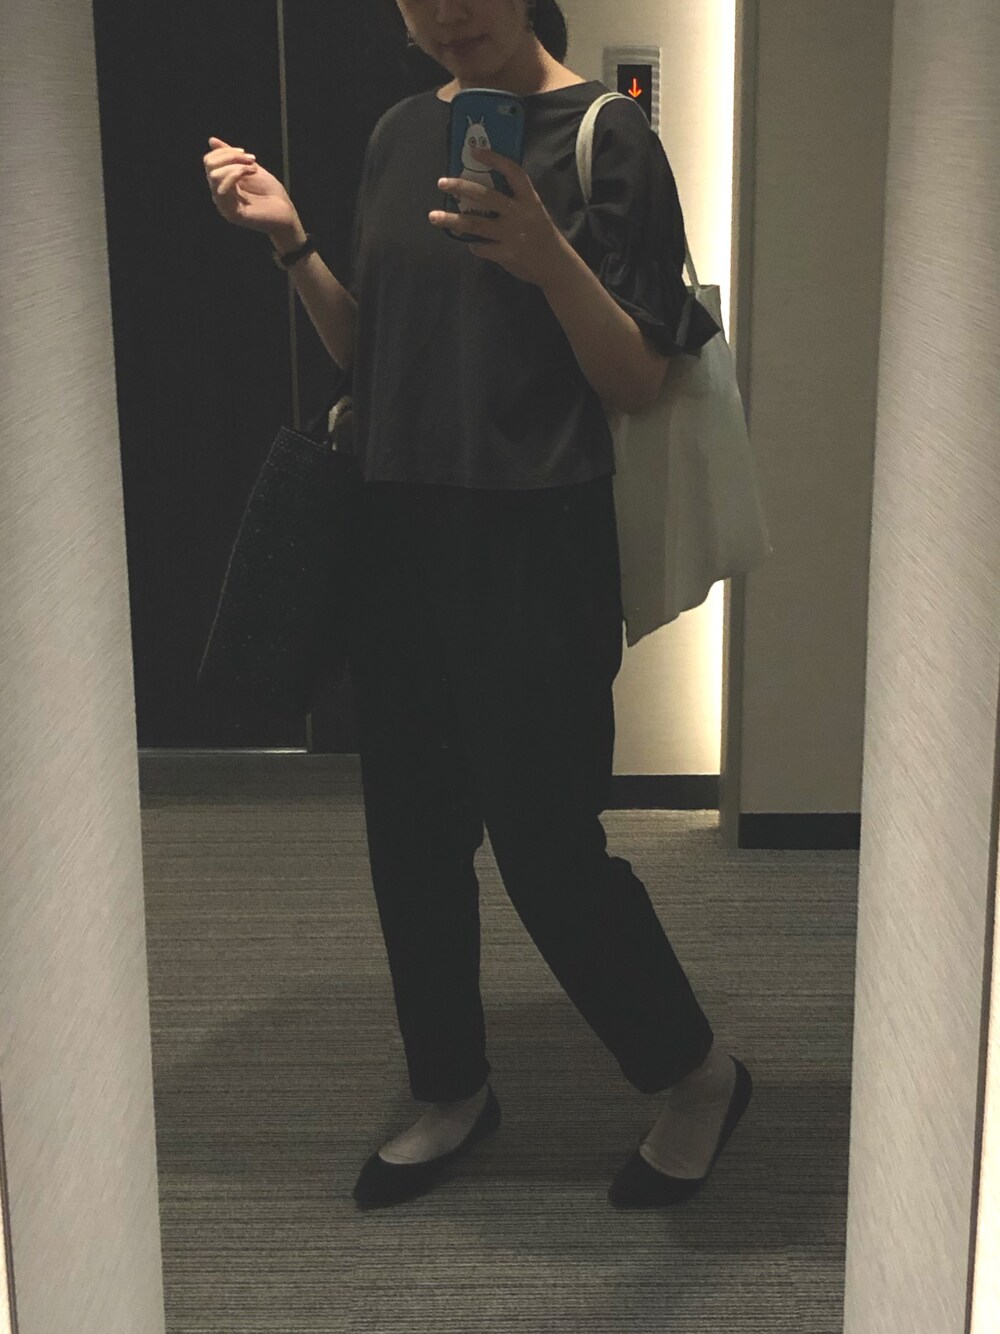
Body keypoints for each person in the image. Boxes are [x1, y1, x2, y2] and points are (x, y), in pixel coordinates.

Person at [202, 0, 752, 1210]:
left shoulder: (607, 137)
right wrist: (293, 245)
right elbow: (374, 356)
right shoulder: (402, 132)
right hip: (398, 532)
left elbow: (637, 378)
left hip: (535, 539)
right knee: (409, 838)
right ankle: (450, 1085)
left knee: (547, 847)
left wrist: (546, 255)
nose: (447, 10)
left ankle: (695, 1073)